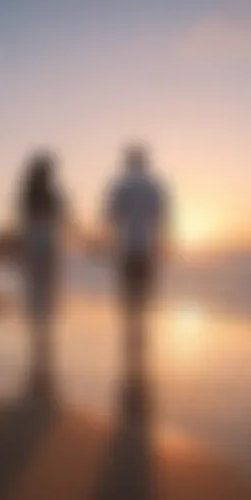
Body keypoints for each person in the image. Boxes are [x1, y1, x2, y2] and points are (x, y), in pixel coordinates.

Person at [105, 144, 168, 378]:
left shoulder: (121, 185)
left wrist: (109, 243)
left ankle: (131, 334)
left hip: (126, 246)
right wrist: (162, 246)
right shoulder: (154, 185)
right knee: (143, 292)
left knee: (128, 293)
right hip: (147, 246)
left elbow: (111, 217)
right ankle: (140, 334)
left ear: (128, 161)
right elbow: (161, 218)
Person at [18, 150, 65, 391]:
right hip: (46, 242)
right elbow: (62, 220)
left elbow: (22, 221)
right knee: (45, 294)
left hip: (34, 242)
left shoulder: (28, 192)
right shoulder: (51, 194)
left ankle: (39, 340)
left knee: (36, 295)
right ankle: (43, 339)